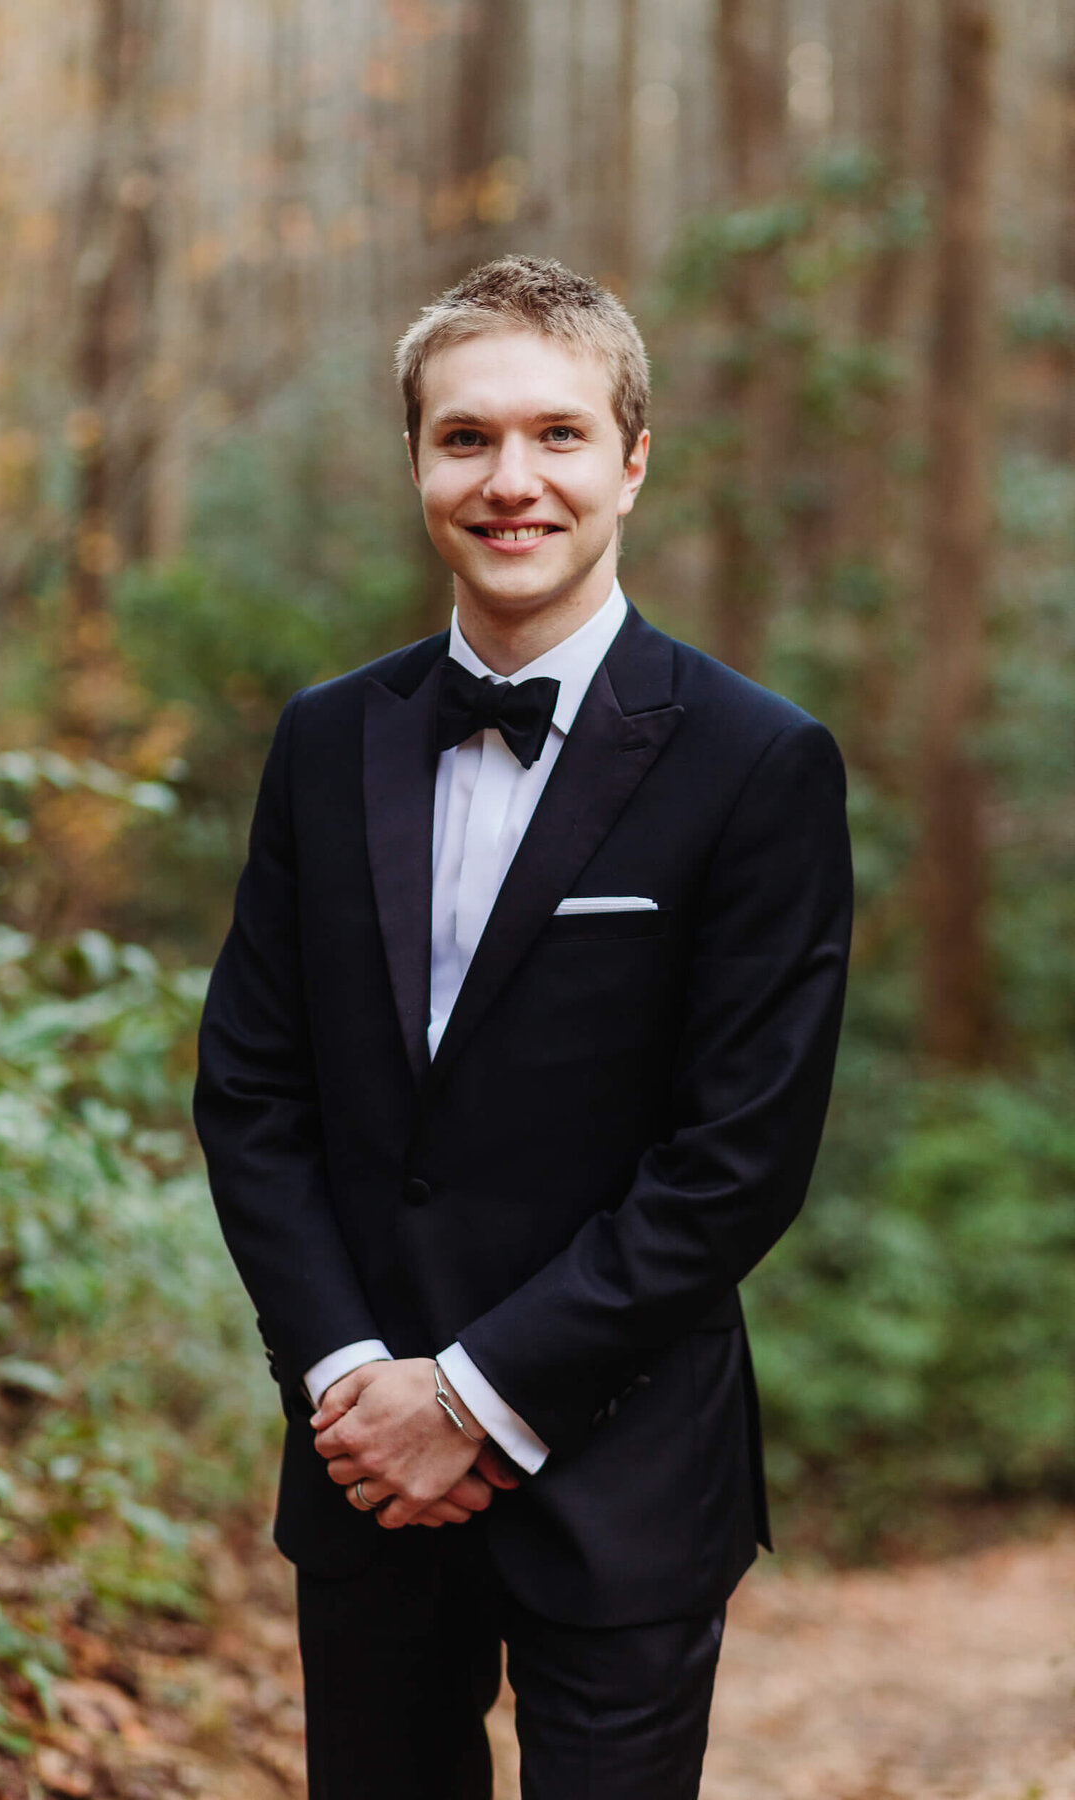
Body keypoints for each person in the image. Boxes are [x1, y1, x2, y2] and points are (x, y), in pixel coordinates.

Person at [193, 254, 853, 1800]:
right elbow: (253, 1092)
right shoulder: (325, 740)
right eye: (467, 437)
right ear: (416, 460)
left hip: (624, 1469)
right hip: (363, 1460)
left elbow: (739, 1157)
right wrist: (352, 1380)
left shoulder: (756, 762)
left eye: (558, 434)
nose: (511, 480)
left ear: (633, 460)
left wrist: (476, 1397)